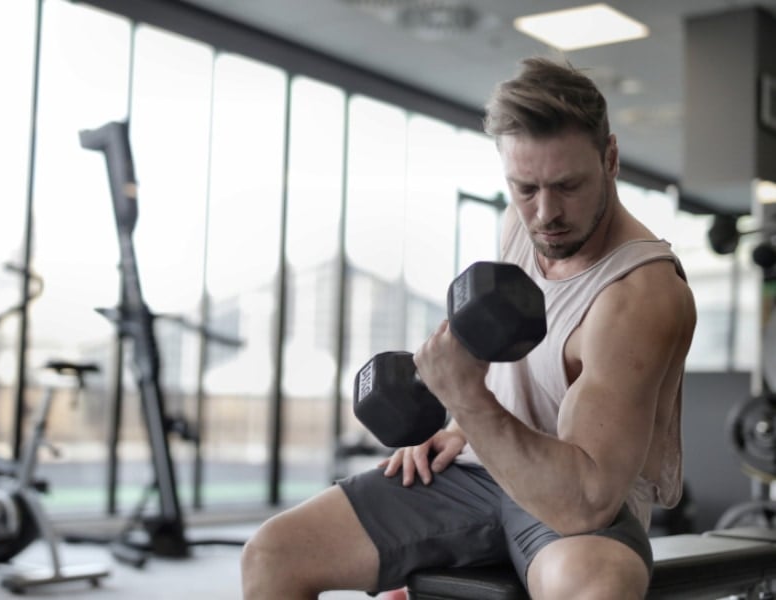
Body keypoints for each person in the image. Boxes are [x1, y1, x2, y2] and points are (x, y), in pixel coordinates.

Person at [241, 56, 697, 600]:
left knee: (599, 586)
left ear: (611, 158)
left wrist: (464, 397)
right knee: (272, 553)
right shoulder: (521, 227)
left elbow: (587, 501)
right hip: (478, 470)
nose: (545, 213)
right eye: (525, 188)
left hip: (572, 503)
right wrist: (457, 429)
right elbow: (515, 373)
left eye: (568, 185)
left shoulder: (639, 296)